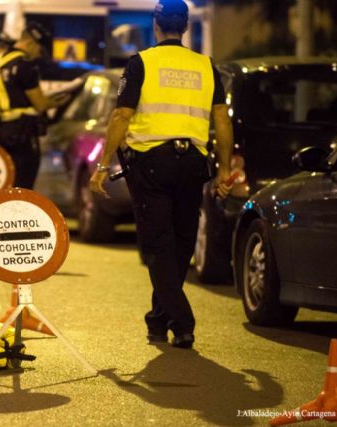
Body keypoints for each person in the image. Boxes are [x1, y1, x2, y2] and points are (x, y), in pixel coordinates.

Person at [90, 0, 233, 349]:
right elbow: (221, 120)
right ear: (185, 26)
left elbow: (121, 117)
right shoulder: (205, 65)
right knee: (180, 244)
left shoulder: (142, 62)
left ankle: (182, 322)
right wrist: (225, 169)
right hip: (193, 163)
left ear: (156, 24)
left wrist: (103, 165)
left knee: (157, 245)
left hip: (152, 163)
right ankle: (158, 320)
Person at [0, 22, 69, 189]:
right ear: (31, 43)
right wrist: (58, 101)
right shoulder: (25, 65)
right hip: (19, 136)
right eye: (40, 50)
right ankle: (16, 214)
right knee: (21, 185)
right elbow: (39, 104)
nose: (39, 56)